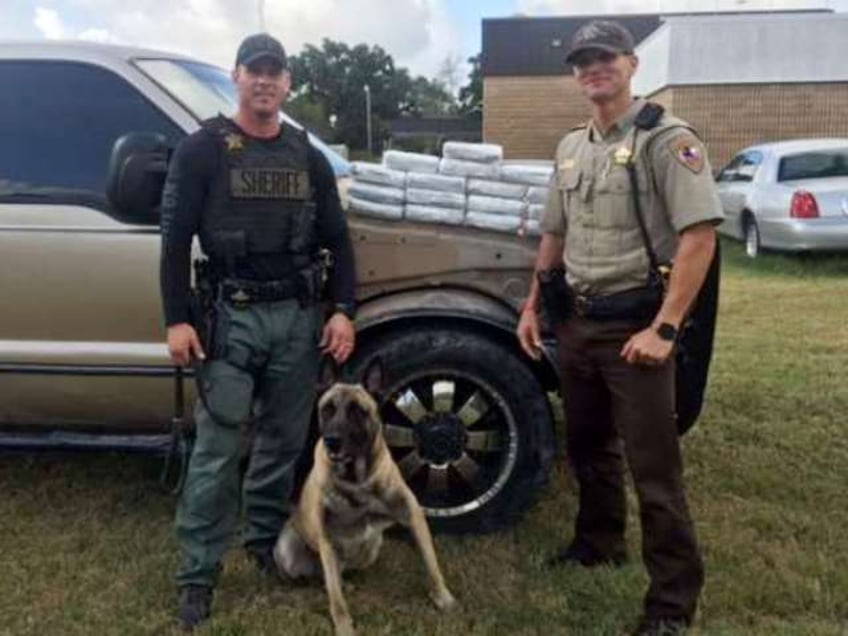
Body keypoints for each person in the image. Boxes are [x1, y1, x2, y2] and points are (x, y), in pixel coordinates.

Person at [516, 20, 723, 636]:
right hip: (578, 323)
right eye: (583, 62)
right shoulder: (571, 147)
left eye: (604, 57)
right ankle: (599, 541)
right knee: (588, 447)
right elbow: (554, 234)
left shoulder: (668, 140)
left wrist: (664, 328)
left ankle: (670, 605)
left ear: (631, 64)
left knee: (654, 471)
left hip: (636, 329)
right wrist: (533, 305)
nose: (593, 69)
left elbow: (700, 237)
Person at [159, 32, 357, 630]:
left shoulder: (306, 155)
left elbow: (338, 240)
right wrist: (176, 318)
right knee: (217, 450)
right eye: (255, 71)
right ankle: (198, 574)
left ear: (288, 83)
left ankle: (263, 543)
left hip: (297, 319)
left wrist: (342, 309)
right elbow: (173, 243)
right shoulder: (203, 150)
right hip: (231, 316)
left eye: (275, 72)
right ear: (237, 77)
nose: (265, 81)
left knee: (280, 442)